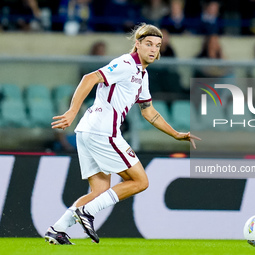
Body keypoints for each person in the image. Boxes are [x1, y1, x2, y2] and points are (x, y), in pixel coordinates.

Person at [44, 23, 200, 245]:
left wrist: (175, 134)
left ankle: (57, 229)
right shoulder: (126, 64)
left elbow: (149, 112)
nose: (153, 49)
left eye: (157, 45)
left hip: (89, 131)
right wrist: (71, 111)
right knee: (140, 181)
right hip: (102, 131)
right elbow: (90, 78)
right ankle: (87, 212)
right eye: (148, 44)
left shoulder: (141, 75)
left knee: (99, 190)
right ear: (137, 44)